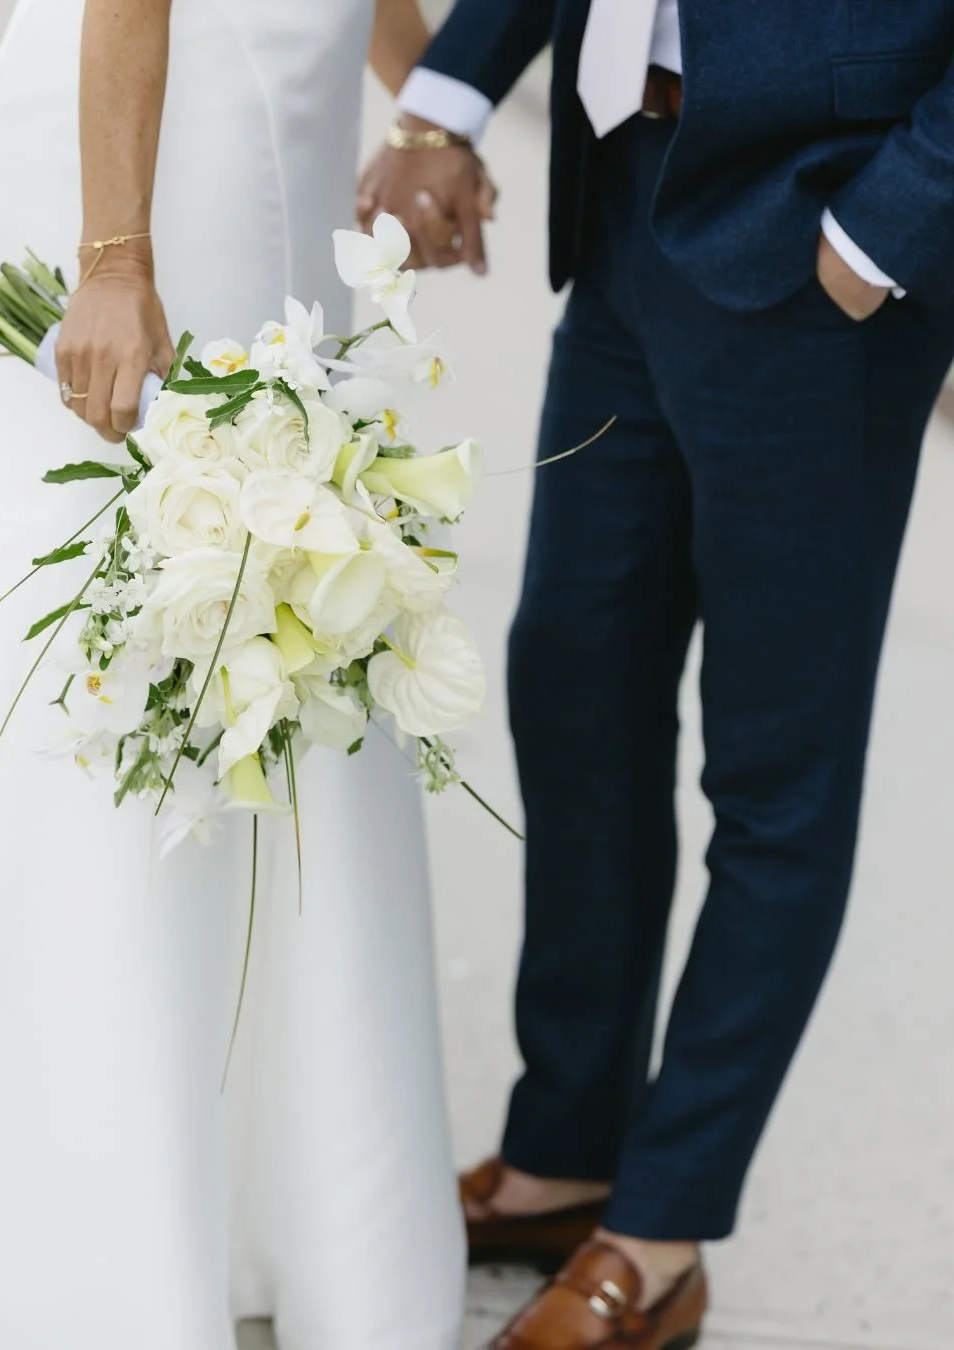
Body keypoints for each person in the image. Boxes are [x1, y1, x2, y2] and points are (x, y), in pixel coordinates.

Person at [360, 2, 954, 1347]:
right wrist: (445, 99)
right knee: (571, 678)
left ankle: (662, 1228)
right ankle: (567, 1148)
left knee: (773, 772)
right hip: (626, 192)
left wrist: (898, 217)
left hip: (826, 233)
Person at [0, 3, 467, 1348]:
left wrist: (436, 103)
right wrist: (114, 254)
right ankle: (72, 1192)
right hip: (165, 117)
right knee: (175, 550)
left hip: (270, 91)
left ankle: (248, 1160)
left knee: (261, 569)